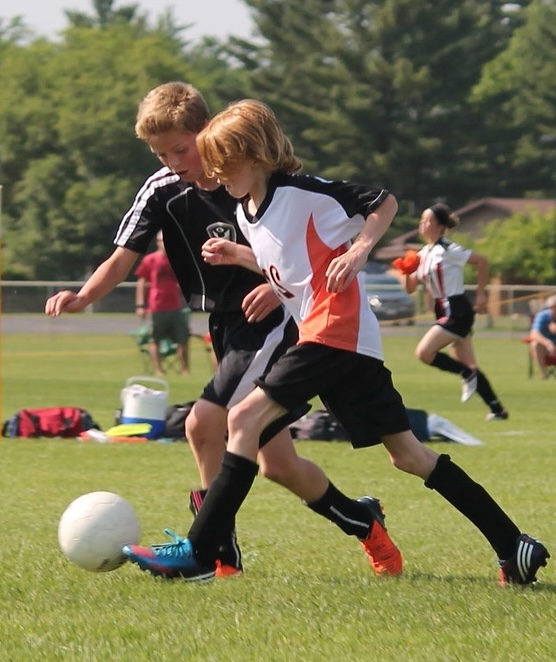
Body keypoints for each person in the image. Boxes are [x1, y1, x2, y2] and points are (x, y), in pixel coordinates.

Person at [123, 98, 549, 587]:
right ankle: (513, 544)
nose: (217, 175)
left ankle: (201, 552)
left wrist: (361, 251)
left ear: (256, 155)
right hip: (345, 344)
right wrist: (239, 256)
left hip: (333, 331)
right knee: (408, 456)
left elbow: (381, 201)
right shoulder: (247, 213)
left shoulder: (303, 192)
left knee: (241, 417)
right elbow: (287, 266)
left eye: (226, 164)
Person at [45, 82, 402, 579]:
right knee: (278, 465)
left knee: (202, 423)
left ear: (208, 134)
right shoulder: (163, 190)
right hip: (226, 327)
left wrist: (277, 289)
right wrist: (84, 295)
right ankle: (364, 520)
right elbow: (123, 255)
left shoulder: (252, 179)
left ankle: (212, 553)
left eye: (180, 148)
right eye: (160, 153)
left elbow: (297, 253)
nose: (172, 161)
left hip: (272, 324)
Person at [398, 203, 509, 421]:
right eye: (421, 220)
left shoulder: (449, 250)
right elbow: (411, 288)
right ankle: (497, 409)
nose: (423, 225)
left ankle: (467, 375)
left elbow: (481, 261)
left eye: (427, 220)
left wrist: (481, 295)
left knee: (424, 353)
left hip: (457, 309)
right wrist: (407, 271)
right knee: (469, 364)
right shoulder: (423, 254)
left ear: (440, 226)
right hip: (442, 310)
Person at [135, 231, 191, 375]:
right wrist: (140, 305)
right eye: (162, 241)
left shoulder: (176, 259)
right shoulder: (150, 260)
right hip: (156, 306)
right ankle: (158, 370)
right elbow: (141, 282)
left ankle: (185, 369)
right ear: (158, 242)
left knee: (182, 338)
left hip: (175, 306)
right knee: (155, 339)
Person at [528, 294, 556, 378]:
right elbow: (534, 333)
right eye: (552, 307)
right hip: (545, 347)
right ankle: (544, 373)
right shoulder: (542, 316)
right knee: (536, 344)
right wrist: (547, 343)